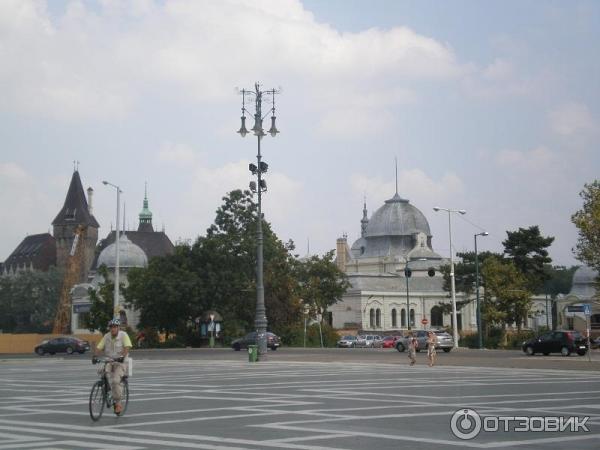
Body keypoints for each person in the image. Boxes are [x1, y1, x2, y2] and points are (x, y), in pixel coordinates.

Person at [93, 318, 132, 414]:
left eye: (115, 327)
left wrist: (122, 356)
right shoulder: (107, 336)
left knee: (115, 381)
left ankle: (118, 403)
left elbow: (127, 347)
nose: (113, 329)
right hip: (109, 360)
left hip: (121, 362)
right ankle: (107, 388)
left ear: (118, 328)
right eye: (111, 327)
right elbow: (99, 347)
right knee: (102, 372)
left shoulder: (124, 335)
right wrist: (94, 356)